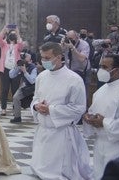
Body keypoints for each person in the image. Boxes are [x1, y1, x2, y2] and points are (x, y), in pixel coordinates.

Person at [30, 41, 93, 180]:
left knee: (59, 175)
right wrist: (36, 106)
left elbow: (79, 108)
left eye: (47, 58)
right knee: (39, 171)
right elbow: (35, 98)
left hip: (62, 134)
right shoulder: (41, 77)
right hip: (43, 132)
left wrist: (51, 110)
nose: (44, 61)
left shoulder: (74, 79)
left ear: (59, 57)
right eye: (42, 57)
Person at [82, 54, 119, 180]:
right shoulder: (100, 91)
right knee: (98, 175)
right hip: (100, 143)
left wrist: (104, 122)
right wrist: (89, 118)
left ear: (116, 70)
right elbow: (93, 111)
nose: (100, 70)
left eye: (104, 67)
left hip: (118, 145)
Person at [0, 26, 23, 116]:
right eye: (11, 34)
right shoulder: (4, 45)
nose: (12, 36)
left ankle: (15, 109)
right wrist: (4, 29)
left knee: (15, 90)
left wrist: (17, 33)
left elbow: (21, 44)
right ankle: (3, 109)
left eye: (14, 35)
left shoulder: (18, 46)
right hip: (5, 70)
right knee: (5, 89)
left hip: (15, 70)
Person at [8, 54, 38, 123]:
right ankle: (17, 117)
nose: (24, 61)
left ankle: (38, 117)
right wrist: (16, 67)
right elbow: (11, 75)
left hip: (34, 87)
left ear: (31, 61)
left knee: (36, 100)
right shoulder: (21, 66)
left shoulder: (33, 68)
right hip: (25, 87)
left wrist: (25, 72)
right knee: (15, 97)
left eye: (26, 59)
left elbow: (32, 81)